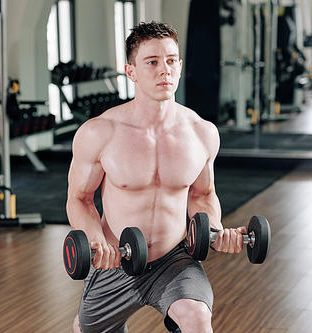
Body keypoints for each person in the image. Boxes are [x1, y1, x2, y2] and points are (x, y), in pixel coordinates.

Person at [66, 21, 247, 333]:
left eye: (171, 60)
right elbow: (80, 199)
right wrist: (97, 243)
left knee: (197, 318)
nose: (165, 70)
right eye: (152, 62)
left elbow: (202, 195)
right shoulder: (99, 132)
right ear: (131, 71)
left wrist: (215, 231)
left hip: (173, 258)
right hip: (117, 260)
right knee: (89, 329)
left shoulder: (202, 132)